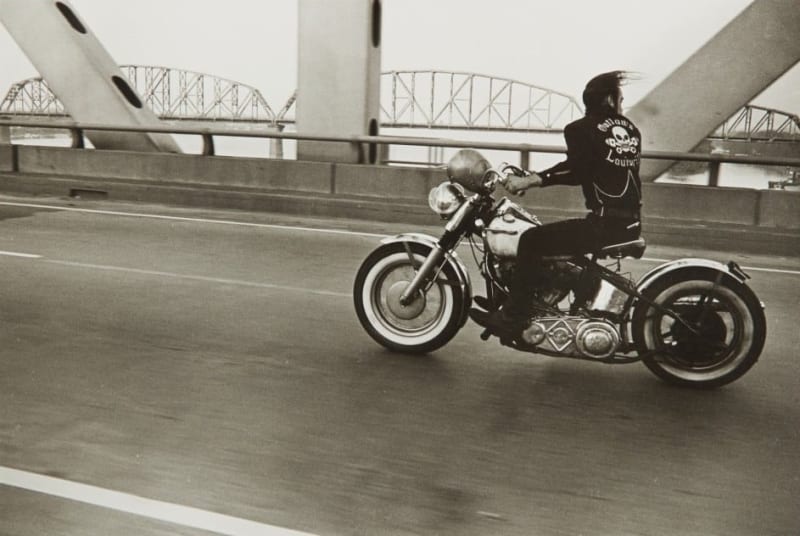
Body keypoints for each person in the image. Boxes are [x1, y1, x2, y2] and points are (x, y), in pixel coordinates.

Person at [471, 70, 643, 335]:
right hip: (628, 220)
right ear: (609, 100)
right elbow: (598, 168)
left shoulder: (581, 129)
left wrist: (529, 181)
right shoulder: (631, 130)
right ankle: (517, 299)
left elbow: (577, 170)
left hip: (605, 224)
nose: (621, 104)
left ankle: (514, 317)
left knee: (531, 240)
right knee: (551, 242)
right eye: (620, 98)